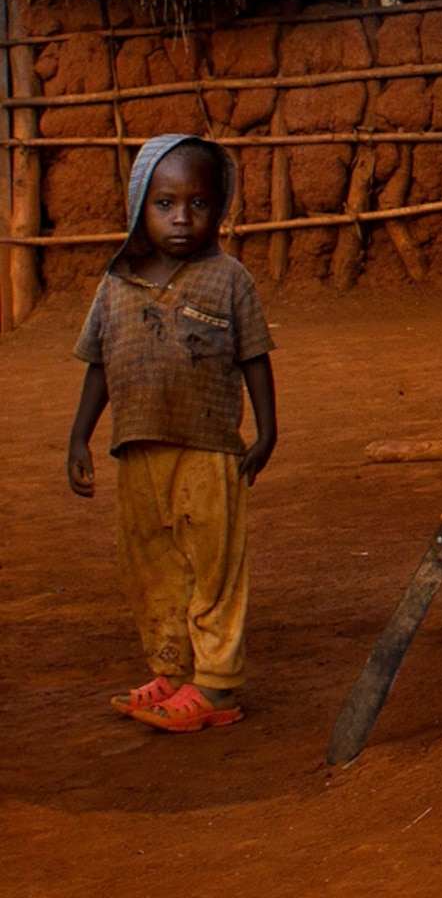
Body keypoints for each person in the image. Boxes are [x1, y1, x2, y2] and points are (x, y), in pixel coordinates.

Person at [65, 134, 277, 733]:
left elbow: (255, 356)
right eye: (164, 203)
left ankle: (215, 686)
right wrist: (80, 437)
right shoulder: (116, 284)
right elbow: (99, 363)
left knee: (214, 568)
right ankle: (172, 669)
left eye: (199, 204)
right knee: (152, 566)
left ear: (220, 208)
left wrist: (267, 433)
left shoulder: (227, 279)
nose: (181, 218)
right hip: (138, 451)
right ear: (140, 204)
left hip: (209, 450)